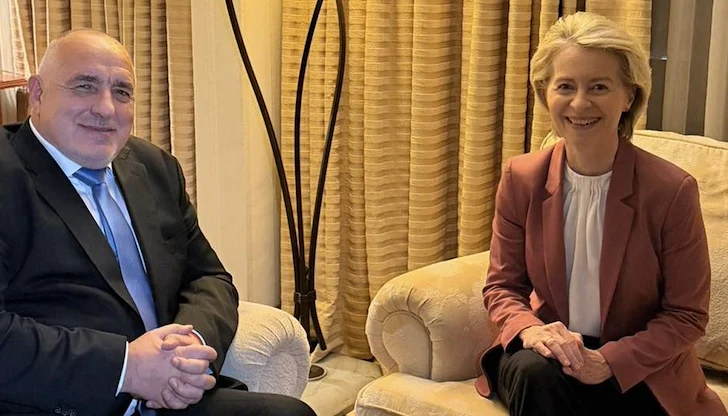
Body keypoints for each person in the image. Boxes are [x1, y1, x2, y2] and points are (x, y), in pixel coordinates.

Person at [0, 29, 316, 416]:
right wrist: (126, 367)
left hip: (169, 399)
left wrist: (191, 346)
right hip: (60, 400)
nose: (106, 108)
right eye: (85, 86)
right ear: (36, 93)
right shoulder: (7, 174)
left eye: (122, 92)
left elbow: (209, 278)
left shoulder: (153, 167)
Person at [478, 12, 727, 416]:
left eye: (599, 86)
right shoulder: (520, 178)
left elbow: (687, 315)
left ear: (628, 96)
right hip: (549, 355)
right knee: (534, 375)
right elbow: (502, 287)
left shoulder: (671, 190)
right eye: (565, 86)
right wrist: (532, 331)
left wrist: (608, 362)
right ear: (545, 93)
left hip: (638, 364)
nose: (580, 103)